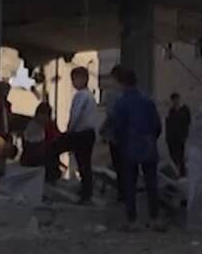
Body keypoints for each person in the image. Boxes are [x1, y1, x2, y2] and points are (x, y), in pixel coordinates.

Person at [113, 70, 164, 230]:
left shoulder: (121, 102)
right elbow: (157, 125)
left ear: (122, 83)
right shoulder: (148, 101)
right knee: (151, 183)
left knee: (130, 184)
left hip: (129, 146)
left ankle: (132, 220)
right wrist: (151, 139)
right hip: (148, 145)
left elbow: (118, 127)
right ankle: (154, 218)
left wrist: (120, 142)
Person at [52, 66, 101, 204]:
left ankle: (53, 174)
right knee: (84, 163)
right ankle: (86, 192)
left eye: (74, 79)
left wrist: (69, 129)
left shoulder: (81, 95)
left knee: (53, 148)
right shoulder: (90, 96)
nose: (73, 82)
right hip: (88, 133)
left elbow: (76, 114)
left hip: (80, 133)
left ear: (83, 79)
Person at [99, 65, 125, 199]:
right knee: (126, 165)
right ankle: (127, 192)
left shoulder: (112, 93)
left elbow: (111, 114)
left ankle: (121, 193)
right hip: (128, 135)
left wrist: (102, 129)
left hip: (115, 135)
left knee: (118, 165)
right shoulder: (128, 92)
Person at [22, 103, 62, 184]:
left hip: (46, 161)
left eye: (46, 116)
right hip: (35, 160)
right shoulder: (33, 126)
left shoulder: (49, 126)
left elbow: (57, 139)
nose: (44, 119)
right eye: (42, 115)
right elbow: (31, 145)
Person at [165, 92, 191, 176]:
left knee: (181, 155)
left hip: (181, 136)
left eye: (176, 99)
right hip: (172, 137)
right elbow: (169, 124)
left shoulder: (184, 109)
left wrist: (185, 134)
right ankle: (177, 172)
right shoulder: (171, 111)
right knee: (174, 155)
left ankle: (182, 172)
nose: (175, 101)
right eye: (173, 100)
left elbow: (188, 121)